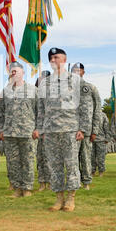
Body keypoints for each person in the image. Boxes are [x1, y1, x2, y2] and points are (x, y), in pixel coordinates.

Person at [37, 48, 90, 212]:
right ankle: (58, 198)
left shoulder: (75, 80)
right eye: (51, 58)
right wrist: (41, 129)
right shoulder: (44, 82)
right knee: (55, 166)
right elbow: (40, 108)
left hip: (70, 129)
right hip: (51, 131)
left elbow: (85, 106)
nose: (54, 60)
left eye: (57, 57)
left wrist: (83, 128)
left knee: (71, 164)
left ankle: (70, 199)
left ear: (65, 59)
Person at [0, 61, 37, 197]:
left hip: (27, 132)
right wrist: (1, 129)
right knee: (12, 162)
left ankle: (27, 188)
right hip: (9, 132)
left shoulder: (33, 90)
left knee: (27, 161)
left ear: (23, 73)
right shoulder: (5, 92)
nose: (13, 73)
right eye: (11, 71)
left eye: (16, 71)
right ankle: (17, 188)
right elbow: (0, 112)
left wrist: (38, 128)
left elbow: (40, 111)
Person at [71, 62, 101, 190]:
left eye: (79, 70)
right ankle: (75, 182)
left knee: (85, 157)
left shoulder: (90, 88)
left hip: (87, 130)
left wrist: (95, 130)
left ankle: (87, 182)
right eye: (74, 71)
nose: (76, 73)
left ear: (83, 72)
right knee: (72, 158)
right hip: (71, 129)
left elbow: (97, 109)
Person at [35, 70, 51, 191]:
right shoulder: (34, 94)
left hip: (50, 130)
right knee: (40, 157)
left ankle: (51, 182)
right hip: (37, 130)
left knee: (50, 158)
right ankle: (42, 182)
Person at [92, 111, 111, 177]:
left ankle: (101, 172)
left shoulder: (103, 115)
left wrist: (107, 138)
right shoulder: (89, 113)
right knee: (91, 157)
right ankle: (92, 171)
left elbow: (106, 127)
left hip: (101, 139)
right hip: (90, 139)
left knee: (101, 157)